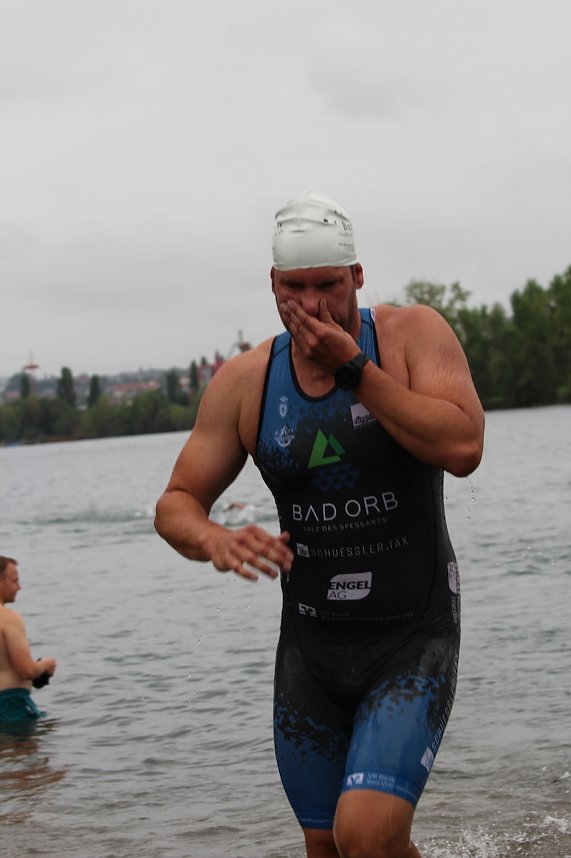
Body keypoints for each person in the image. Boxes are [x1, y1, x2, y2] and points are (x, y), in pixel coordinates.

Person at [154, 190, 485, 858]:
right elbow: (176, 503)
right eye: (295, 287)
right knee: (326, 845)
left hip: (410, 632)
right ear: (272, 285)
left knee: (365, 833)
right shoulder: (247, 380)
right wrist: (212, 536)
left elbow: (462, 447)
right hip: (310, 647)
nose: (312, 304)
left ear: (356, 276)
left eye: (328, 284)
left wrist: (354, 372)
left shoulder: (409, 335)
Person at [0, 556, 56, 726]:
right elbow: (27, 670)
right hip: (9, 705)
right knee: (24, 752)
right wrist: (46, 664)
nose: (19, 587)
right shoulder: (8, 618)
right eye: (14, 581)